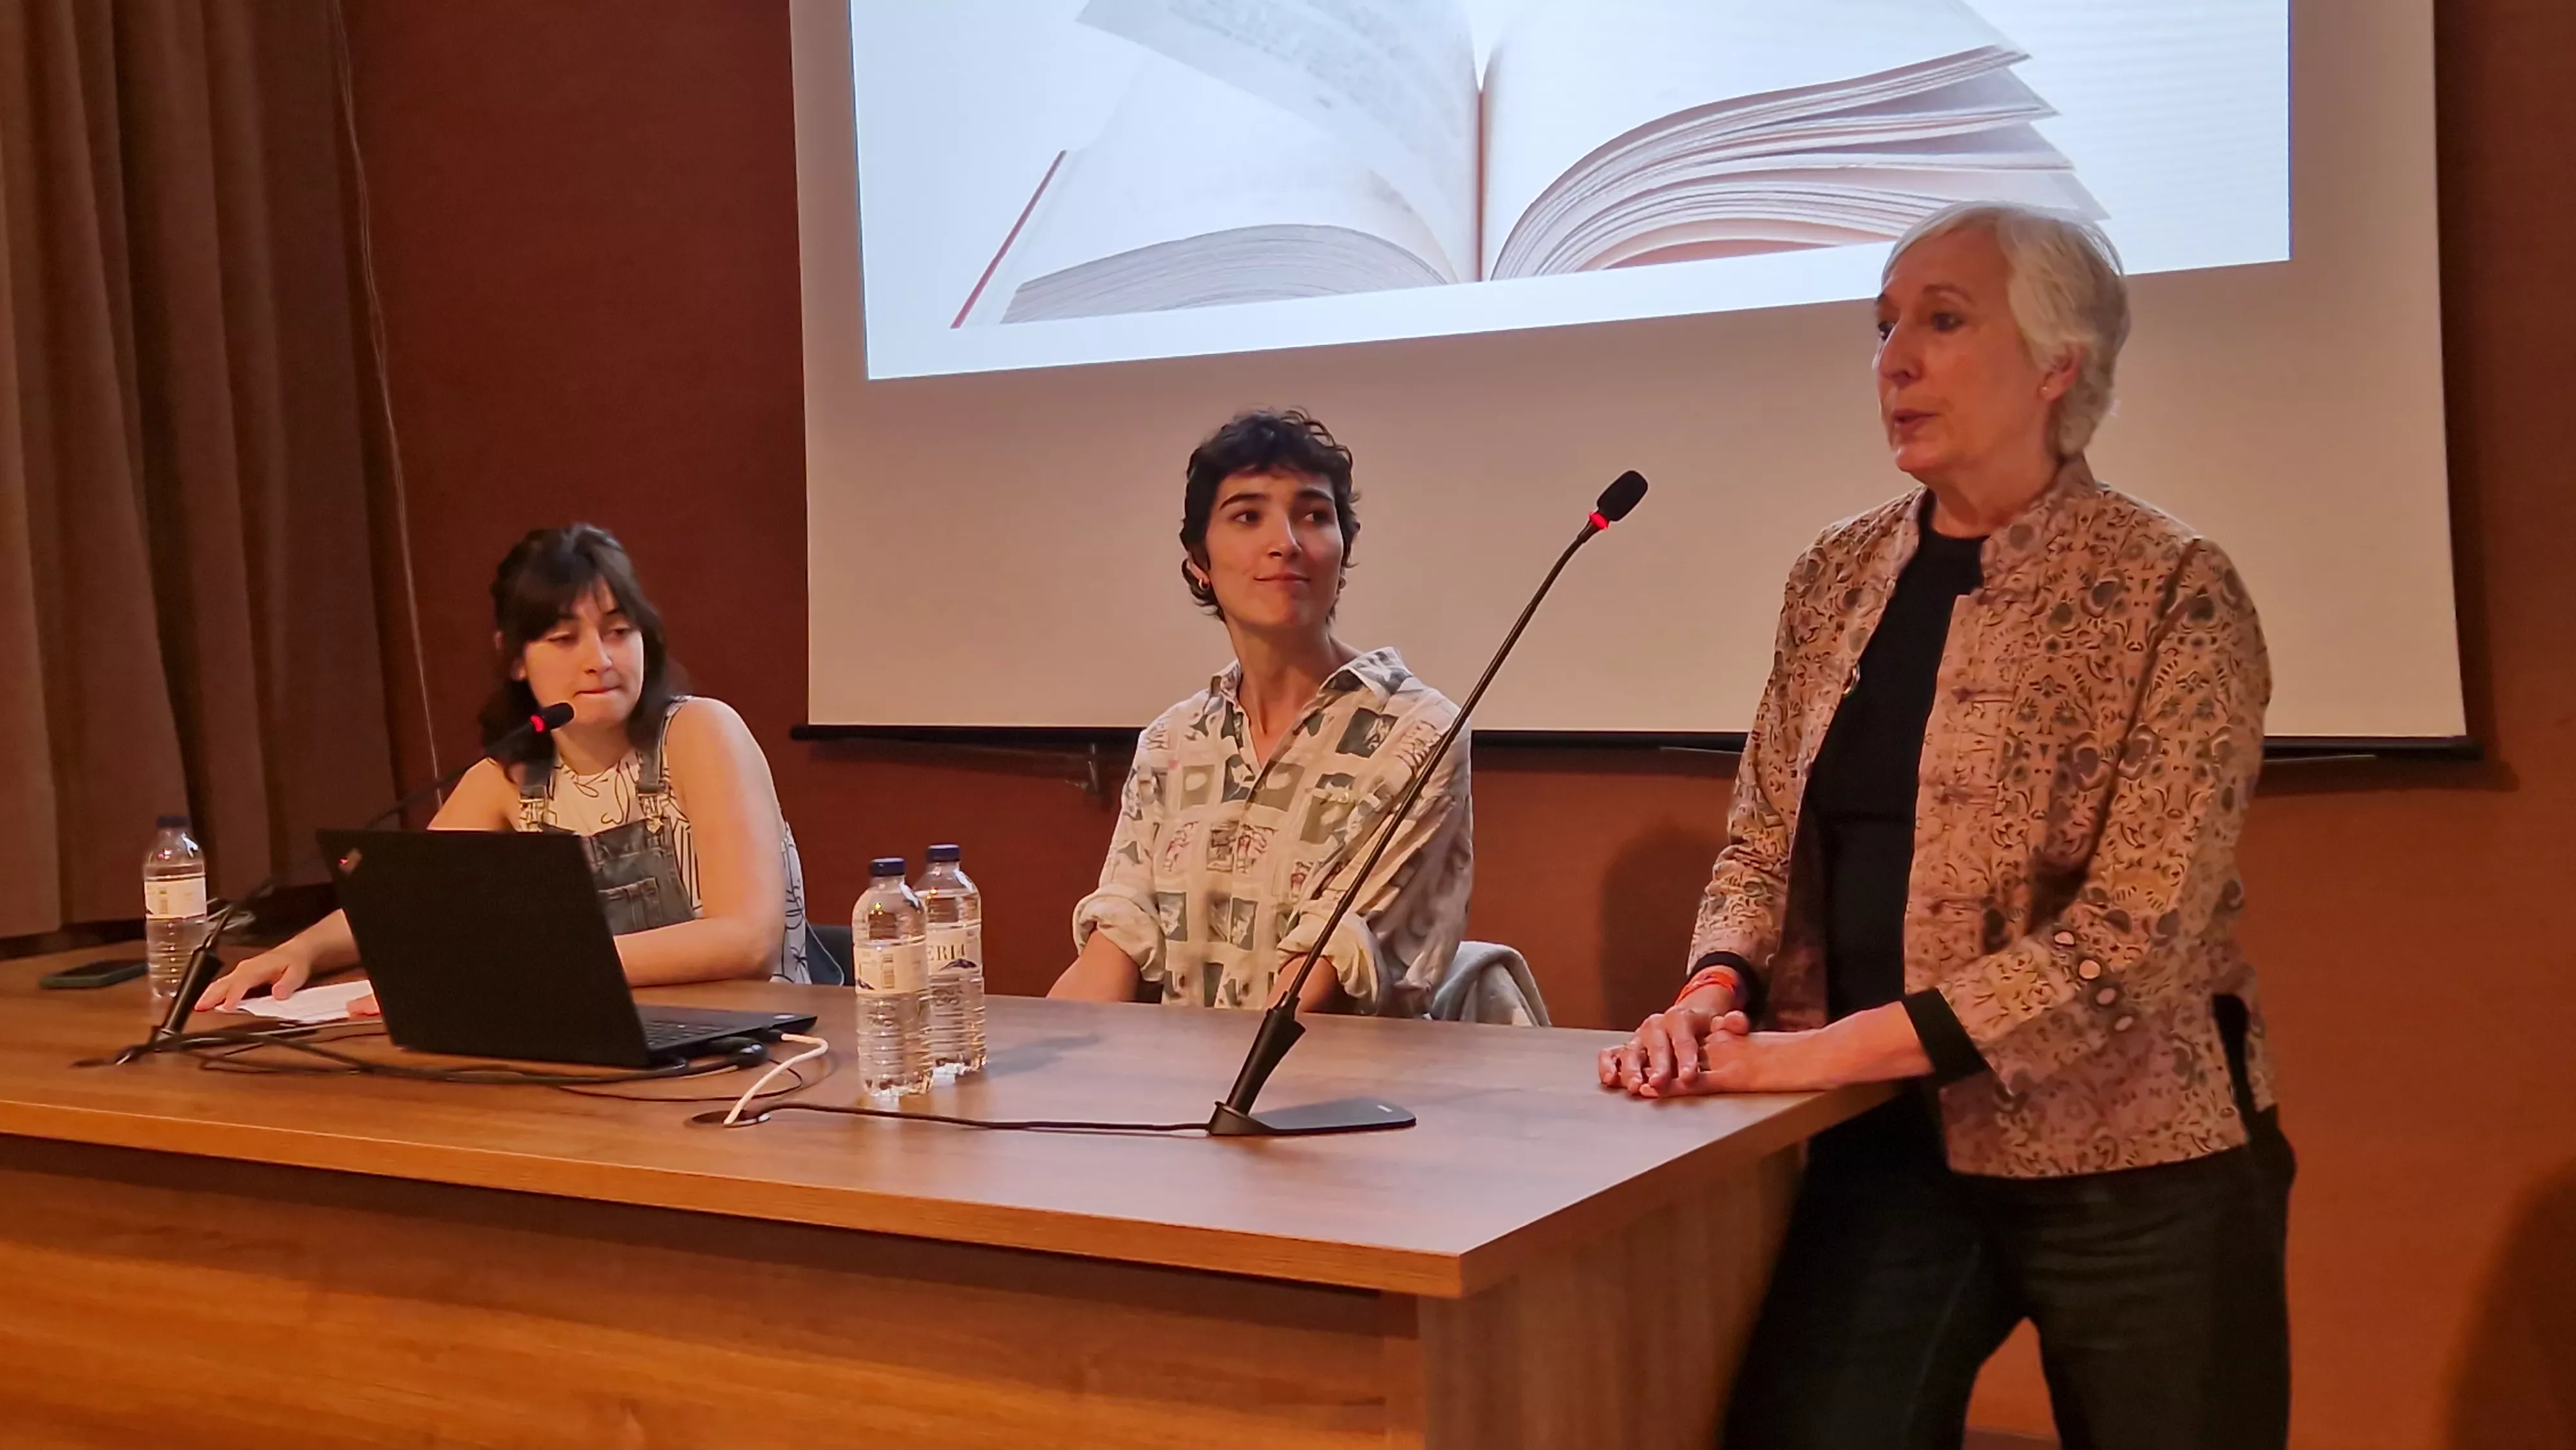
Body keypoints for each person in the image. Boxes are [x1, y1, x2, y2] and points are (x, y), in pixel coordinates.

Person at [1600, 203, 2295, 1449]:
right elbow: (1763, 837)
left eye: (1942, 319)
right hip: (1893, 1150)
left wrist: (1812, 1054)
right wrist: (1717, 982)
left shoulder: (2173, 587)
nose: (1895, 359)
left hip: (2138, 1162)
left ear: (2057, 362)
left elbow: (2136, 936)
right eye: (1882, 326)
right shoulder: (1835, 573)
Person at [202, 523, 811, 1010]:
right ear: (515, 659)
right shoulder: (510, 776)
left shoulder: (699, 732)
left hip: (757, 1040)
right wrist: (302, 950)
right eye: (565, 640)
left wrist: (523, 973)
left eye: (619, 632)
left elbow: (748, 941)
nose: (600, 660)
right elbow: (410, 904)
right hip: (613, 1037)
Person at [1049, 409, 1472, 1015]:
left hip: (1334, 1092)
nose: (1287, 543)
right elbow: (1122, 930)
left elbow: (1325, 971)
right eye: (1248, 516)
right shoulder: (1173, 740)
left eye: (1315, 516)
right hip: (1171, 1095)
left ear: (1342, 551)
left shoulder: (1418, 730)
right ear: (1200, 560)